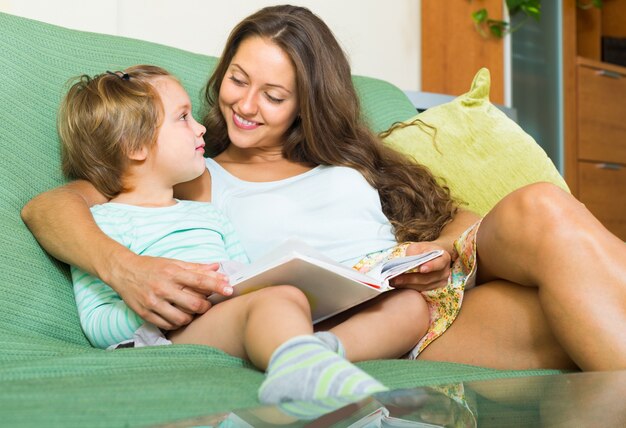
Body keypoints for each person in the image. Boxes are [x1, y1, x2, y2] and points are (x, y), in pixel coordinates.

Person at [22, 5, 626, 373]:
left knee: (544, 212)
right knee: (577, 311)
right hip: (378, 329)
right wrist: (125, 269)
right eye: (237, 79)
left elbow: (460, 216)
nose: (246, 106)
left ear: (307, 104)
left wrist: (436, 249)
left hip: (437, 295)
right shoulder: (193, 168)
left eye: (275, 96)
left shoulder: (349, 162)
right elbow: (53, 206)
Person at [54, 64, 417, 404]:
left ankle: (309, 358)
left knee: (410, 306)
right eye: (182, 118)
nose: (200, 128)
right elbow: (97, 323)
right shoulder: (103, 222)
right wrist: (165, 305)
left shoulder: (208, 214)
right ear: (134, 146)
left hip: (231, 320)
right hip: (166, 335)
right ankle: (301, 364)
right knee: (278, 299)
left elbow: (243, 275)